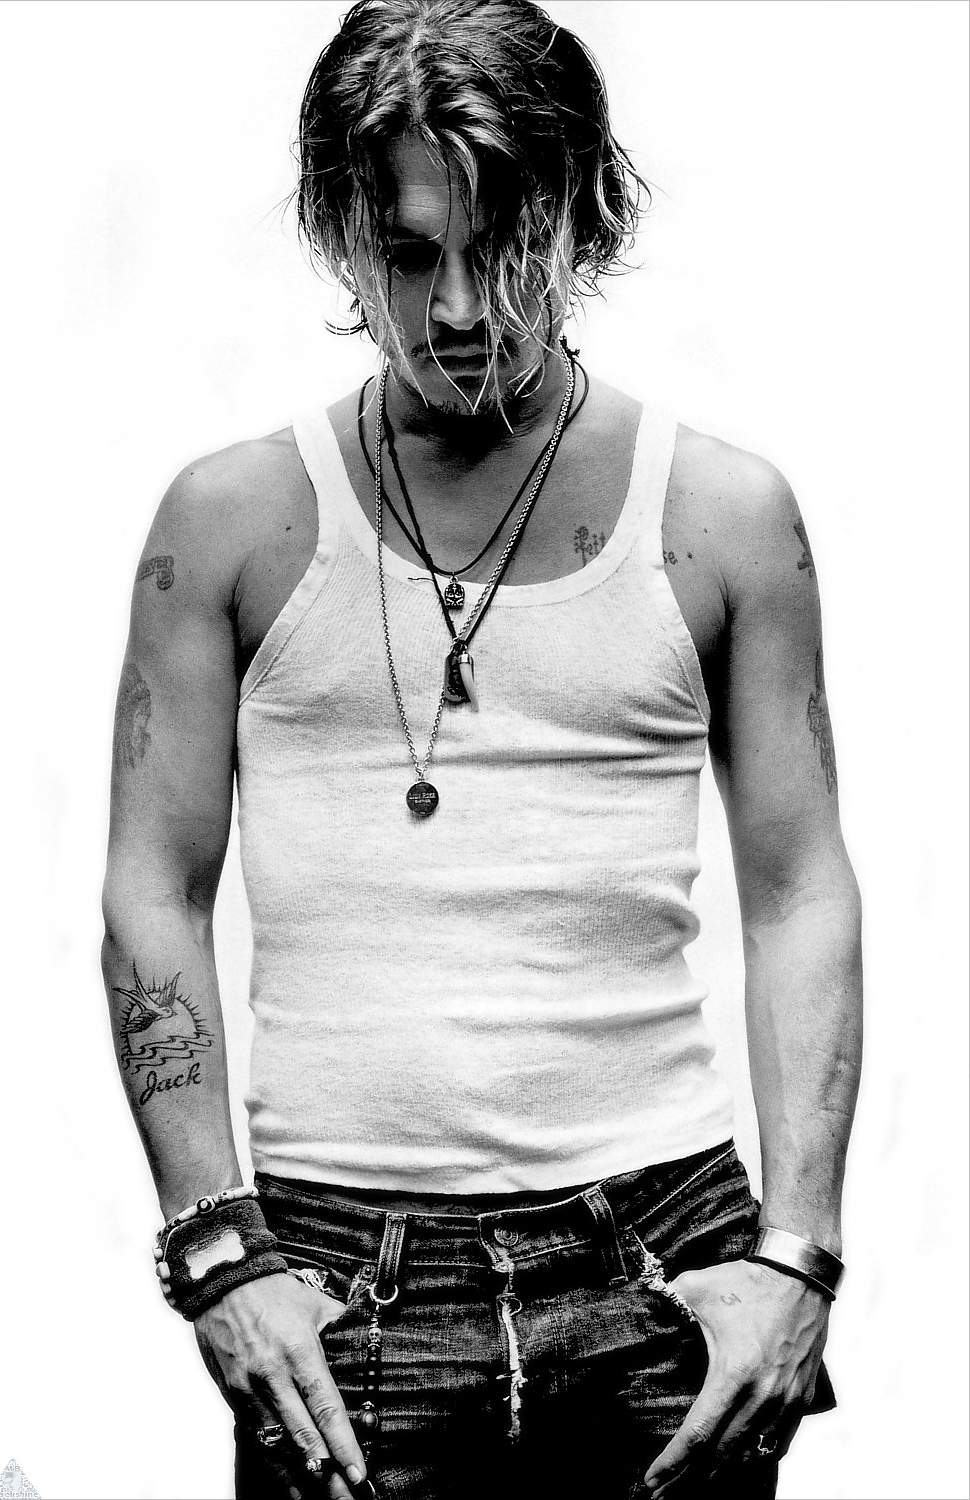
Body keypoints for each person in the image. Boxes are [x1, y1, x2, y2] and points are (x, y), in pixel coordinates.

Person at [101, 2, 862, 1497]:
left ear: (583, 217)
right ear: (343, 237)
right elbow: (152, 889)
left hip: (662, 1266)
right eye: (408, 254)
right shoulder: (232, 523)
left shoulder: (723, 517)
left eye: (502, 247)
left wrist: (799, 1255)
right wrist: (216, 1252)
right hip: (342, 1288)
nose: (456, 309)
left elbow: (799, 889)